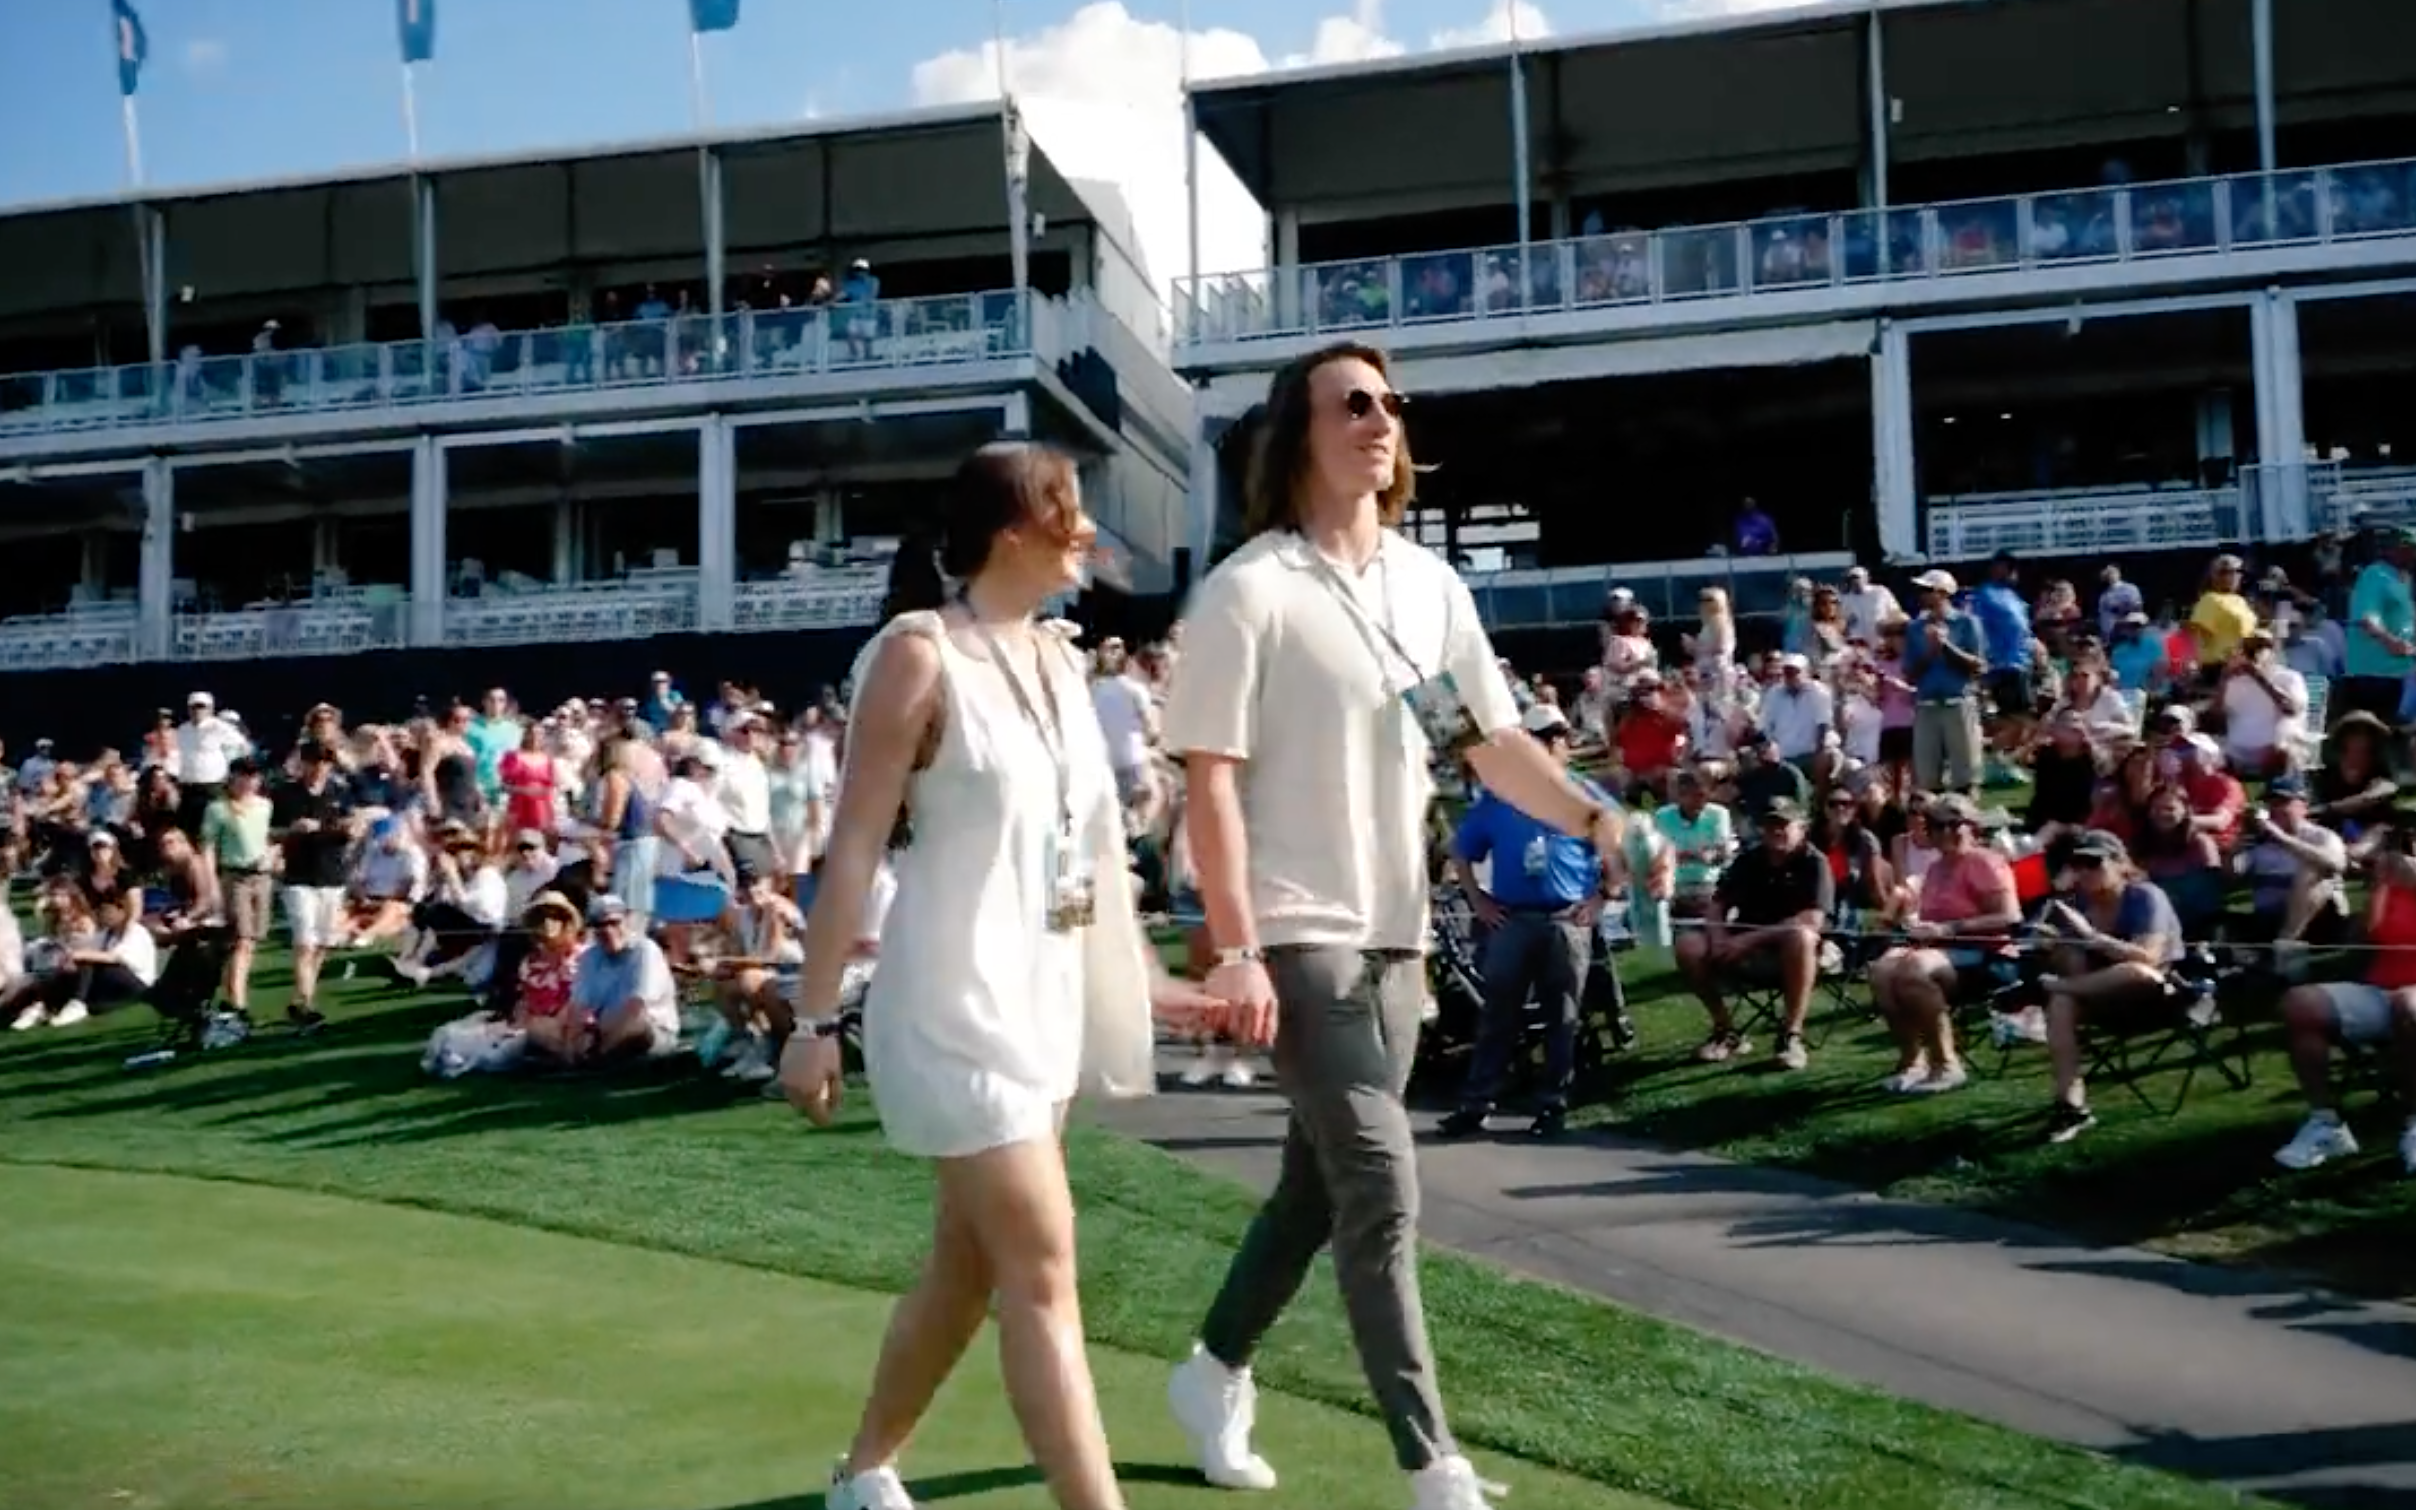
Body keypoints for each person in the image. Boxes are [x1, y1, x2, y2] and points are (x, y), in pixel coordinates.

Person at [1159, 341, 1625, 1509]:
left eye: (1391, 404)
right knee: (1381, 1186)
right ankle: (1434, 1463)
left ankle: (1213, 1369)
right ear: (1298, 434)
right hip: (1295, 929)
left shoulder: (1433, 588)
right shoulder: (1246, 589)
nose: (1381, 419)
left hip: (1398, 936)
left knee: (1314, 1193)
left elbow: (1487, 745)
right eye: (1352, 403)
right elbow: (1207, 782)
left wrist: (1593, 814)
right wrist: (1233, 945)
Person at [776, 443, 1226, 1510]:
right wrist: (811, 1017)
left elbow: (1088, 851)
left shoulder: (1065, 660)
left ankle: (863, 1470)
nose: (1087, 529)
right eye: (1066, 508)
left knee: (966, 1266)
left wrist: (1149, 980)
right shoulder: (915, 656)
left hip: (1044, 995)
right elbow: (851, 848)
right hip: (950, 996)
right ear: (1011, 529)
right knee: (1041, 1269)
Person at [1439, 701, 1620, 1140]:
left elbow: (1619, 852)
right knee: (1498, 1014)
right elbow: (1462, 853)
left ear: (1565, 744)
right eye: (1538, 739)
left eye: (1554, 737)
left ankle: (1552, 1106)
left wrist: (1601, 898)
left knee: (1563, 1017)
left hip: (1566, 918)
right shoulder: (1500, 796)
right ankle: (1476, 1104)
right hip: (1512, 919)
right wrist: (1478, 901)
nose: (1547, 746)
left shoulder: (1586, 796)